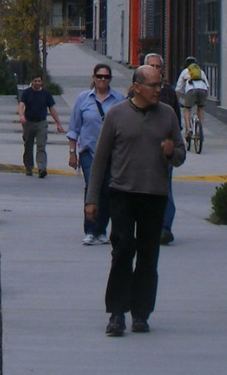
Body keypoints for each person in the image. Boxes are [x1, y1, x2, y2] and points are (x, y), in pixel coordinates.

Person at [86, 64, 186, 336]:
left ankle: (141, 313)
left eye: (161, 84)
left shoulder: (167, 115)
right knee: (122, 251)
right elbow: (101, 160)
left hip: (154, 195)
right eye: (154, 85)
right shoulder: (117, 115)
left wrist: (170, 152)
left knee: (148, 256)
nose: (159, 90)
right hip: (122, 193)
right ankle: (117, 313)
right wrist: (92, 198)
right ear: (137, 87)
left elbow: (180, 154)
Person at [68, 64, 125, 244]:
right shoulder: (84, 99)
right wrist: (72, 153)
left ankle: (101, 230)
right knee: (92, 188)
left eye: (106, 77)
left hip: (111, 153)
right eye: (99, 77)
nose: (102, 80)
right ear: (93, 78)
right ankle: (90, 229)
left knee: (107, 191)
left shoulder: (118, 100)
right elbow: (74, 128)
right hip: (89, 152)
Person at [144, 52, 181, 244]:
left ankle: (164, 228)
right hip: (141, 151)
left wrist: (174, 147)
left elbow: (177, 124)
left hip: (164, 151)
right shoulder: (136, 91)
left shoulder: (169, 92)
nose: (155, 70)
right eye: (152, 66)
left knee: (166, 190)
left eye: (158, 67)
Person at [17, 74, 63, 178]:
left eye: (39, 81)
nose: (37, 83)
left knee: (41, 146)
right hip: (29, 123)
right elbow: (21, 105)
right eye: (35, 81)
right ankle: (29, 167)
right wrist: (21, 115)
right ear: (32, 82)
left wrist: (58, 123)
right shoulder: (27, 93)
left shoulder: (46, 94)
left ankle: (42, 168)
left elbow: (52, 109)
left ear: (41, 82)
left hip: (41, 123)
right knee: (28, 146)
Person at [174, 56, 210, 138]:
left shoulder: (185, 71)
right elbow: (207, 86)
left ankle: (188, 129)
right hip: (203, 90)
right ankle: (200, 129)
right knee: (200, 108)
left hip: (191, 90)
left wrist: (176, 101)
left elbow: (178, 88)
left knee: (187, 109)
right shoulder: (201, 72)